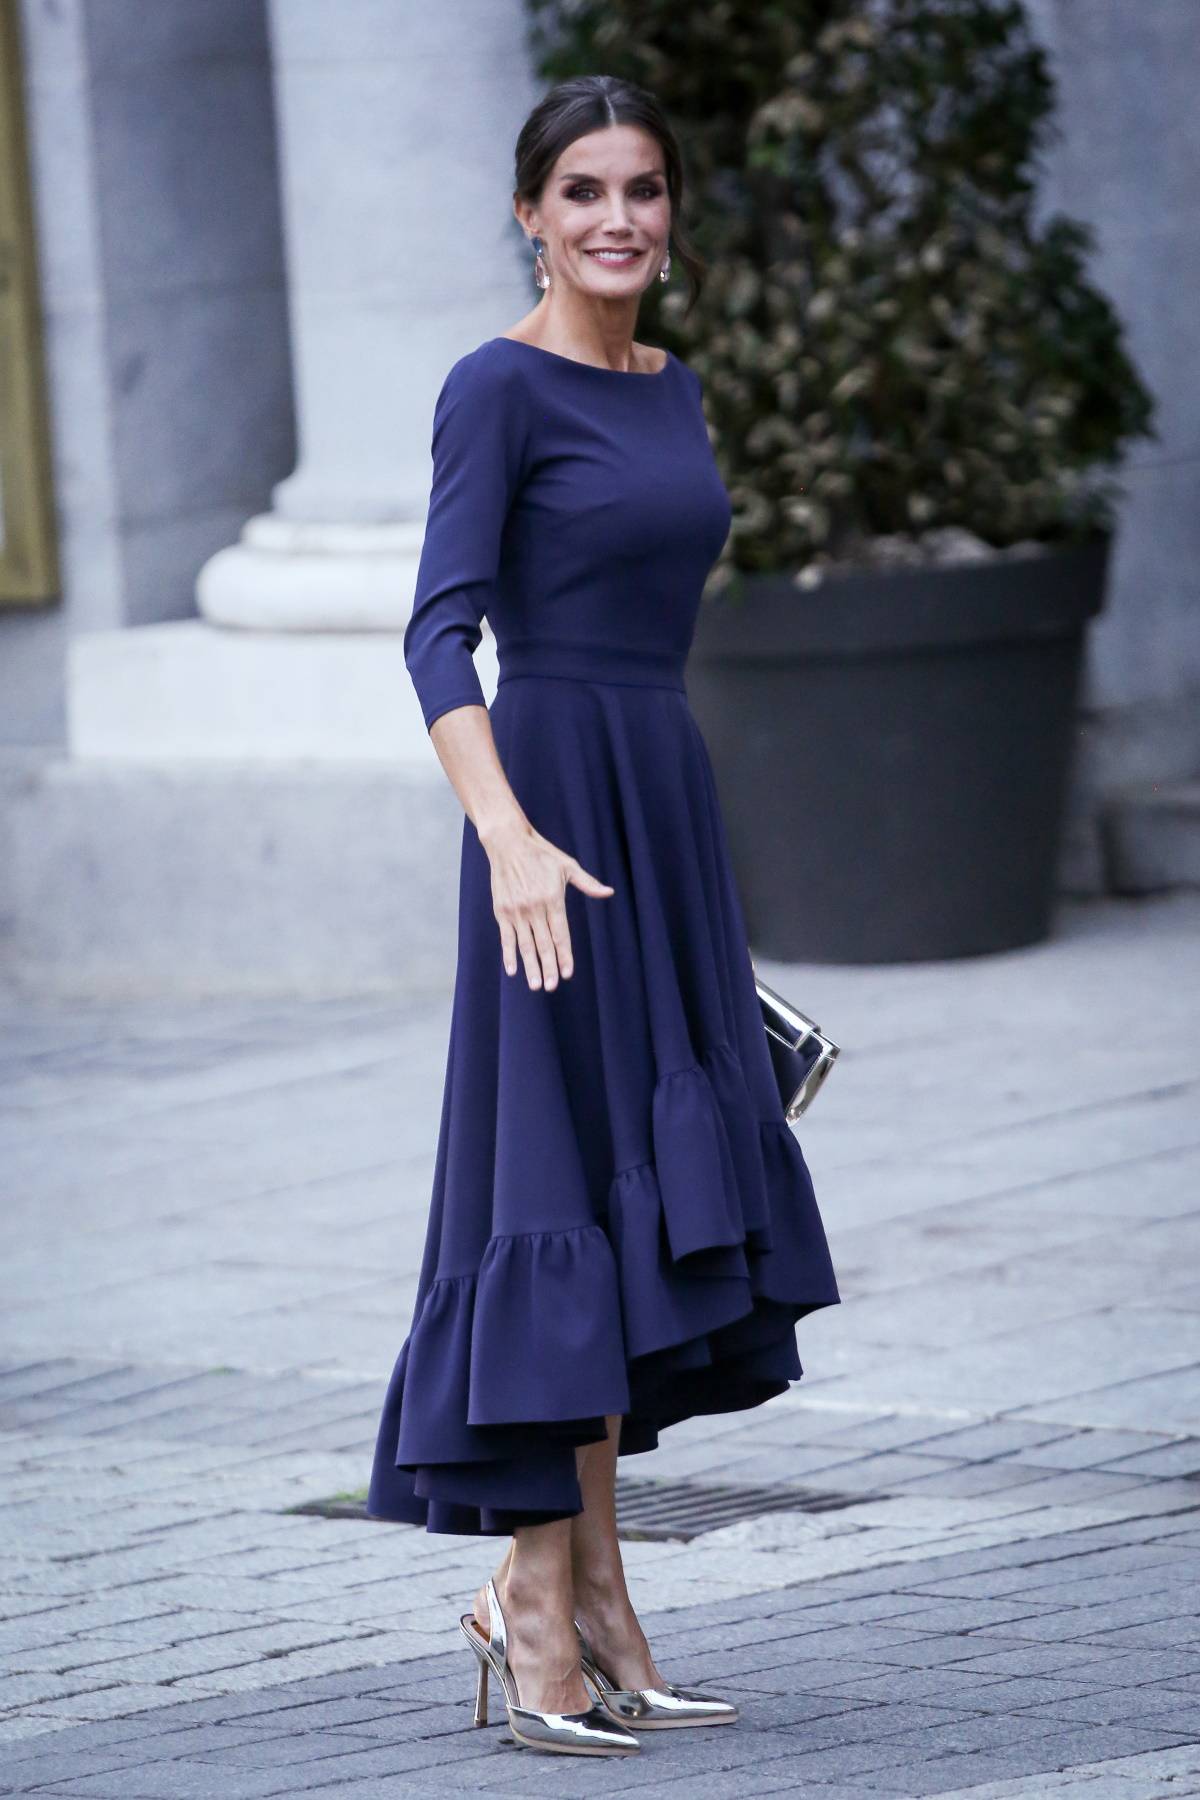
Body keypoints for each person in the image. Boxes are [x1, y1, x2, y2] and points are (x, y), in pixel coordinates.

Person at [366, 73, 840, 1758]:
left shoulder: (672, 384)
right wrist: (504, 835)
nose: (618, 218)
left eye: (643, 189)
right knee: (555, 1178)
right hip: (548, 812)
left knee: (632, 1210)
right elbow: (438, 634)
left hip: (663, 804)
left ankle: (605, 1602)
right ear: (529, 212)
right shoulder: (494, 389)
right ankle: (532, 1603)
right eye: (583, 191)